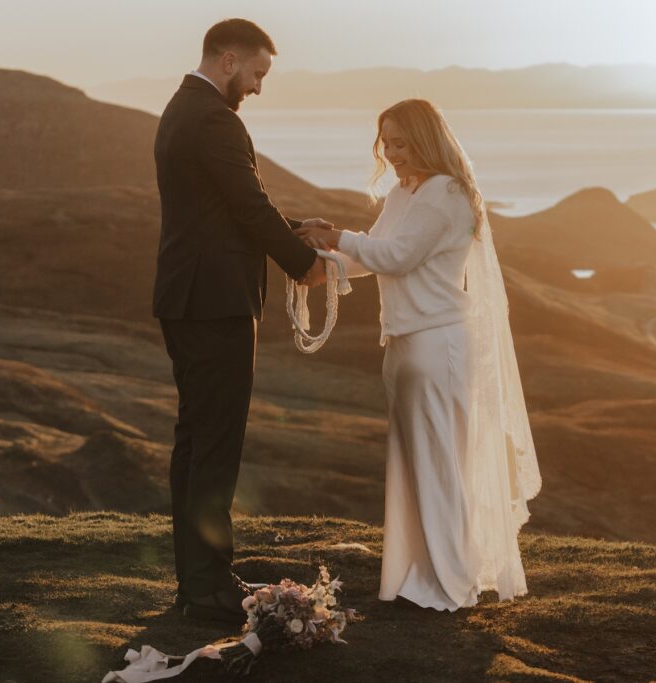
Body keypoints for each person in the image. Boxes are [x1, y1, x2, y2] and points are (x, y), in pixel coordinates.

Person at [295, 99, 542, 610]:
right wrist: (323, 264)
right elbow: (377, 259)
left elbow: (398, 256)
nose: (392, 153)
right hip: (404, 344)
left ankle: (450, 581)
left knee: (441, 463)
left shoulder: (445, 194)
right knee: (413, 464)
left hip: (437, 344)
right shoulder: (402, 194)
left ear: (427, 140)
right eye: (386, 143)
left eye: (402, 143)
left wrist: (335, 235)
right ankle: (416, 575)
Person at [153, 18, 331, 624]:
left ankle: (197, 577)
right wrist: (304, 263)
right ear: (228, 60)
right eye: (256, 73)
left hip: (188, 299)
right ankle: (206, 589)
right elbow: (248, 202)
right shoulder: (211, 118)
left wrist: (291, 232)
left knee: (196, 440)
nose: (258, 87)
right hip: (215, 303)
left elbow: (225, 208)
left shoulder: (182, 108)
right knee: (216, 446)